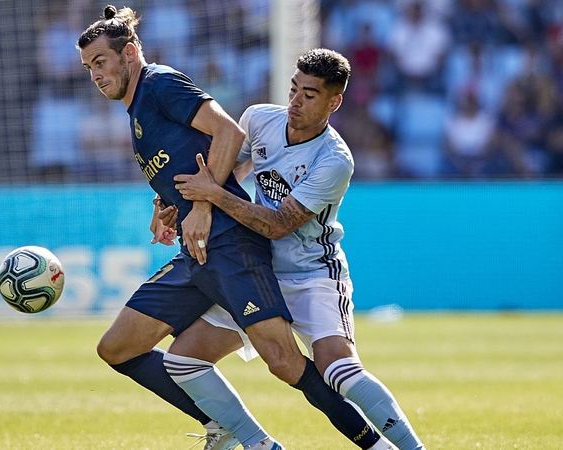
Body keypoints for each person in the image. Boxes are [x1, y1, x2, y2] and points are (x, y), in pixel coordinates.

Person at [77, 6, 393, 450]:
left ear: (129, 52)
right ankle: (243, 437)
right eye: (89, 66)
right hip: (198, 249)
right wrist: (166, 204)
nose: (95, 74)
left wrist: (204, 205)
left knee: (286, 363)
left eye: (101, 62)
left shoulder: (159, 83)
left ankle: (376, 445)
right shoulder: (136, 109)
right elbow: (193, 160)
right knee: (118, 347)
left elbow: (226, 133)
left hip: (228, 242)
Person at [171, 48, 426, 449]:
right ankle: (247, 440)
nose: (295, 101)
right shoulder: (258, 119)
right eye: (293, 89)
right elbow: (218, 172)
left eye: (309, 94)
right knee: (183, 360)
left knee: (338, 371)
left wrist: (213, 197)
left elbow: (275, 226)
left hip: (312, 274)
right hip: (258, 272)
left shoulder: (335, 160)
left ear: (333, 102)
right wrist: (179, 204)